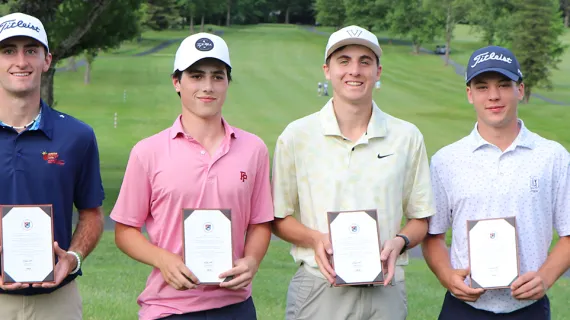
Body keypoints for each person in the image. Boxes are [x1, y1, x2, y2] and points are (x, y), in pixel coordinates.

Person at [271, 25, 436, 320]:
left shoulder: (406, 136)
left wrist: (400, 241)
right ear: (327, 70)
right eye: (344, 60)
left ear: (378, 71)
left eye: (365, 61)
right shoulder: (297, 136)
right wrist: (314, 239)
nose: (355, 70)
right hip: (321, 287)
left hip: (386, 289)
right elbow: (278, 218)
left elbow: (420, 217)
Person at [110, 32, 273, 320]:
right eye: (196, 76)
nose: (207, 87)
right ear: (177, 82)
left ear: (227, 82)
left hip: (235, 307)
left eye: (217, 76)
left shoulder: (254, 149)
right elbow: (125, 231)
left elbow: (260, 222)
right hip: (168, 308)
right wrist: (162, 259)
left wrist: (252, 260)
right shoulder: (148, 152)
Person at [422, 45, 570, 320]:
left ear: (521, 90)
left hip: (528, 308)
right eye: (482, 87)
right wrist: (446, 275)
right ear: (469, 94)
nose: (493, 96)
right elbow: (433, 235)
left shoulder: (553, 157)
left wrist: (546, 278)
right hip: (464, 307)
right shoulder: (446, 161)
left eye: (504, 85)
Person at [0, 12, 105, 320]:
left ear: (47, 60)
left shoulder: (78, 136)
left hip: (56, 301)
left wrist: (73, 257)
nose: (21, 61)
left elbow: (92, 215)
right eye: (8, 51)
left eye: (31, 50)